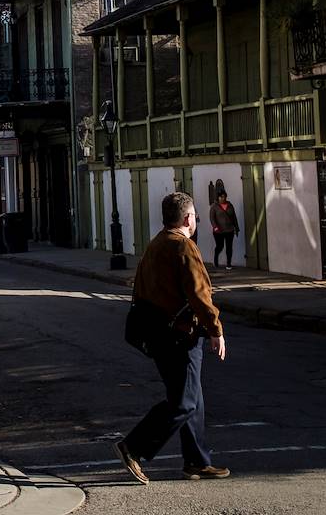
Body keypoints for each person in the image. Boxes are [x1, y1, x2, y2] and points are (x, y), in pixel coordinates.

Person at [115, 191, 230, 485]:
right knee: (183, 402)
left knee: (194, 398)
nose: (195, 221)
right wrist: (215, 330)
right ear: (188, 218)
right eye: (195, 217)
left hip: (157, 334)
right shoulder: (183, 247)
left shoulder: (155, 245)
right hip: (179, 336)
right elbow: (200, 294)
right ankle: (134, 447)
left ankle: (197, 461)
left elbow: (140, 290)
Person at [209, 191, 239, 269]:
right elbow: (212, 218)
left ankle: (228, 264)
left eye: (224, 196)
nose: (223, 198)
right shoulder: (214, 206)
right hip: (219, 231)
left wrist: (236, 228)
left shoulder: (230, 205)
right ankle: (216, 258)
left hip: (229, 230)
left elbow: (234, 217)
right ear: (218, 197)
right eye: (221, 197)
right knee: (220, 246)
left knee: (229, 247)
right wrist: (215, 227)